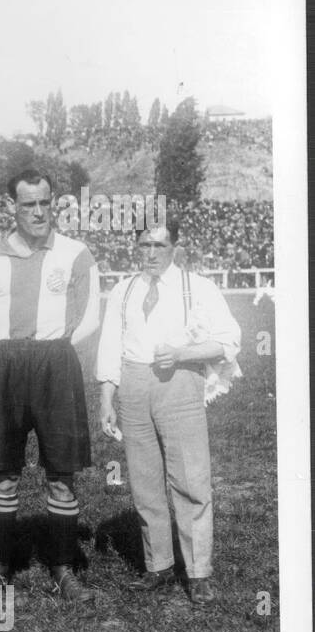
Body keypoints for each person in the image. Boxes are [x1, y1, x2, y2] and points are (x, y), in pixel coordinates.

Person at [0, 170, 100, 600]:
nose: (39, 212)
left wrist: (59, 348)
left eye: (45, 202)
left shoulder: (76, 253)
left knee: (61, 475)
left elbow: (90, 315)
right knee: (3, 473)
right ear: (12, 207)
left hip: (56, 362)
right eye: (29, 204)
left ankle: (63, 568)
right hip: (6, 362)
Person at [96, 220, 241, 604]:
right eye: (144, 245)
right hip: (134, 382)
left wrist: (182, 353)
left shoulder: (199, 287)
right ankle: (157, 565)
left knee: (190, 479)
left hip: (179, 381)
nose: (152, 254)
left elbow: (228, 341)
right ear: (136, 248)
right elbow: (111, 345)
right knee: (144, 481)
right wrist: (106, 398)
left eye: (160, 245)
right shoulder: (124, 291)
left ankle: (198, 572)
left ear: (175, 247)